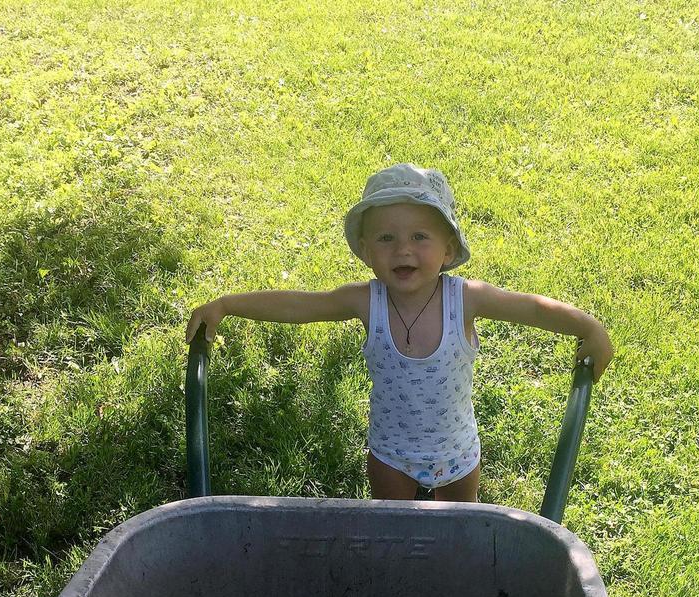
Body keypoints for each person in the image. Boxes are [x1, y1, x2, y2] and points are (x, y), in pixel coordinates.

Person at [185, 163, 613, 502]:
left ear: (447, 249)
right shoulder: (364, 301)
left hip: (457, 451)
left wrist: (588, 327)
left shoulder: (465, 299)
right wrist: (227, 305)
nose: (403, 250)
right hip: (390, 451)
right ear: (368, 251)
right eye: (387, 238)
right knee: (392, 531)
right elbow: (301, 304)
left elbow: (533, 308)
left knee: (457, 536)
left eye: (420, 237)